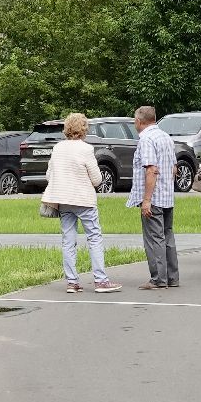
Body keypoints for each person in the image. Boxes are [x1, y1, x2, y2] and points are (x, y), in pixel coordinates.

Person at [44, 112, 120, 294]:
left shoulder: (58, 148)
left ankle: (72, 282)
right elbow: (96, 179)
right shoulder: (86, 149)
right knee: (94, 237)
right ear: (84, 129)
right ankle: (100, 280)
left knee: (68, 240)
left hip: (63, 200)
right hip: (84, 199)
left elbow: (49, 175)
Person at [129, 105, 179, 290]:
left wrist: (147, 199)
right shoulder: (165, 137)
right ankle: (172, 277)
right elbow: (174, 168)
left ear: (139, 121)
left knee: (154, 238)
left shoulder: (146, 139)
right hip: (167, 195)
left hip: (154, 197)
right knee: (168, 236)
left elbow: (151, 170)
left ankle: (158, 278)